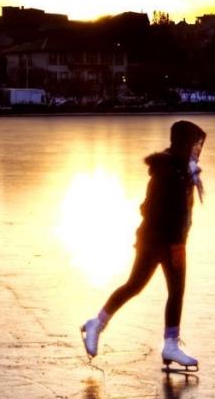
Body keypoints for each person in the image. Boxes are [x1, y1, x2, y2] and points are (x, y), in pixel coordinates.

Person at [80, 120, 206, 371]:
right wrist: (174, 243)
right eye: (195, 145)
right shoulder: (169, 171)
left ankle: (102, 324)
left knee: (153, 288)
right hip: (160, 241)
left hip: (165, 240)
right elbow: (150, 208)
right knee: (141, 286)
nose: (198, 151)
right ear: (184, 143)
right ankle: (99, 324)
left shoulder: (183, 169)